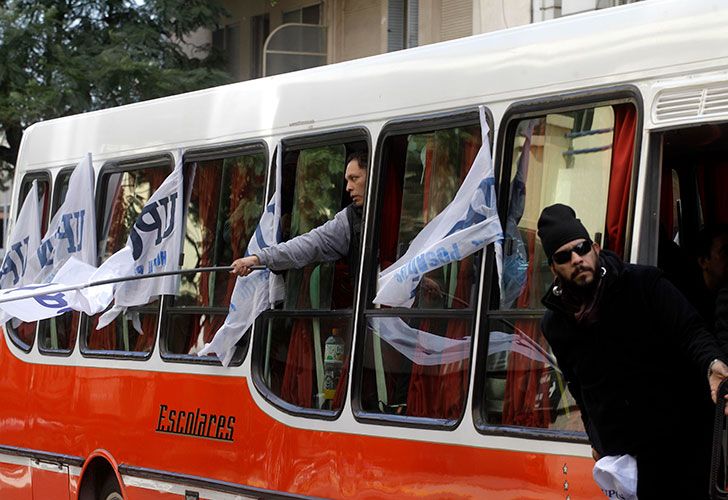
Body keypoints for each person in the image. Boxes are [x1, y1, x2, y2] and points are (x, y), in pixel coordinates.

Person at [537, 203, 728, 498]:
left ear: (595, 248)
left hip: (684, 443)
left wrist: (712, 363)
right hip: (627, 461)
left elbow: (691, 330)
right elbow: (579, 386)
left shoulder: (644, 284)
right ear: (553, 267)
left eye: (582, 248)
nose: (577, 259)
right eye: (564, 256)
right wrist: (597, 439)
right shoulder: (555, 323)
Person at [231, 151, 367, 277]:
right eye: (347, 180)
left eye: (354, 178)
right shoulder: (349, 218)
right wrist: (258, 258)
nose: (348, 187)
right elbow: (309, 244)